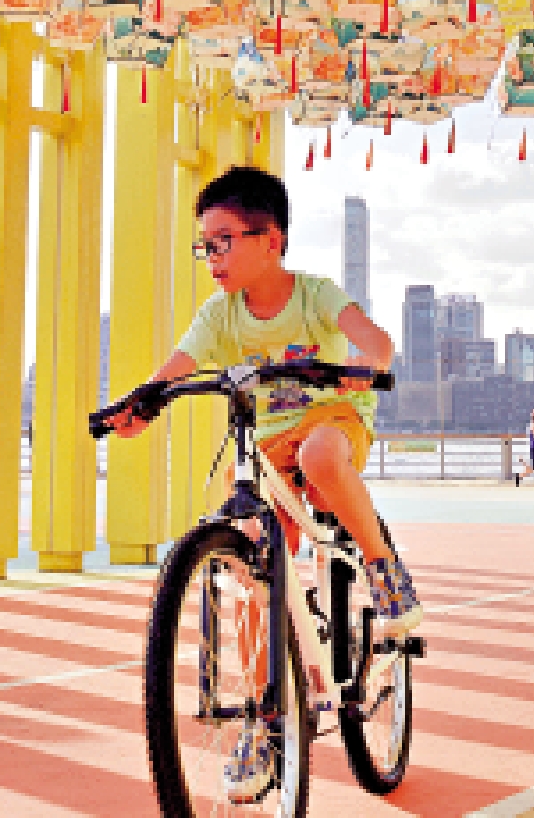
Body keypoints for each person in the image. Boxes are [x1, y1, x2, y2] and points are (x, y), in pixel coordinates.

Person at [101, 166, 419, 801]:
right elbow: (177, 366)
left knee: (326, 462)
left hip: (329, 420)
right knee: (246, 565)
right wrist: (143, 401)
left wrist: (364, 369)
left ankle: (387, 576)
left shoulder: (314, 296)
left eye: (223, 241)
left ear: (270, 239)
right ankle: (265, 718)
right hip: (266, 439)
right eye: (206, 244)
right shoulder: (219, 316)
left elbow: (376, 341)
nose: (212, 257)